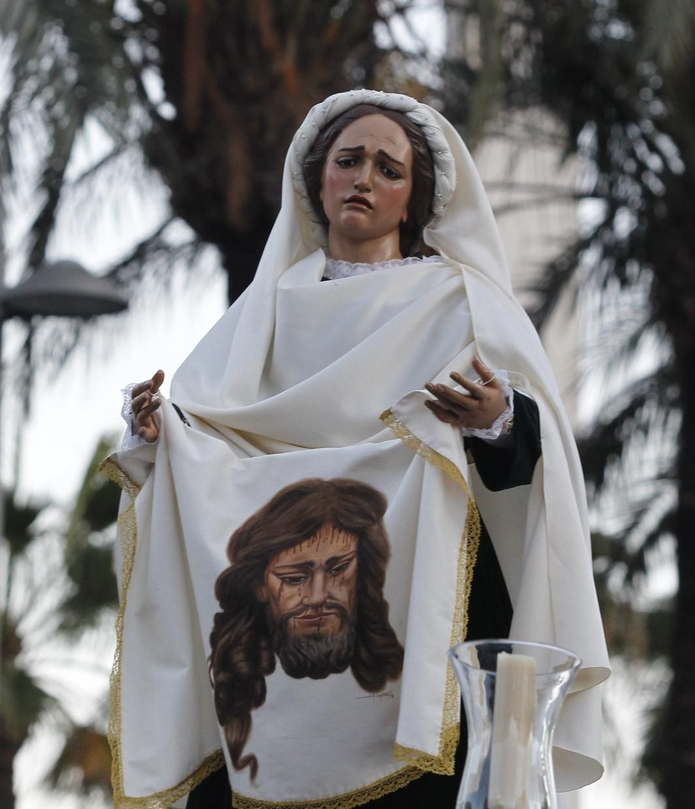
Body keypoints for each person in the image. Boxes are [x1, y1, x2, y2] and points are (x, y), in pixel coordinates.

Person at [105, 90, 608, 809]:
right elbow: (208, 457)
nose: (365, 178)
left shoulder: (463, 304)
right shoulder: (261, 317)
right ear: (317, 181)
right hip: (272, 653)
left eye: (387, 167)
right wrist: (157, 434)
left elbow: (535, 458)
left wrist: (495, 419)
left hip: (433, 635)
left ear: (414, 197)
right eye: (348, 161)